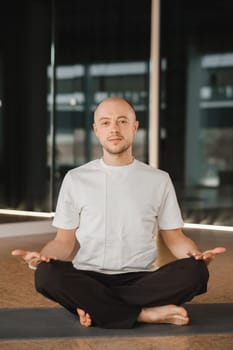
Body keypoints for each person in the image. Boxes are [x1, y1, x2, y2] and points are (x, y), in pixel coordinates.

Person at [12, 97, 226, 329]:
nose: (114, 128)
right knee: (46, 276)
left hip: (142, 277)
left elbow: (174, 238)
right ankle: (144, 314)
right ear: (96, 130)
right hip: (88, 277)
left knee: (195, 272)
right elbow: (63, 242)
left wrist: (196, 256)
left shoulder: (159, 180)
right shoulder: (75, 179)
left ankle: (97, 308)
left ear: (134, 127)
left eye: (122, 121)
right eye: (105, 122)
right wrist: (43, 259)